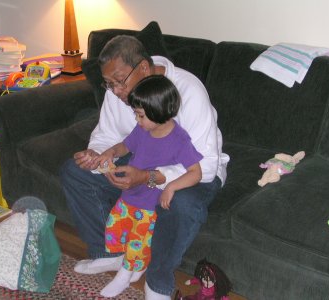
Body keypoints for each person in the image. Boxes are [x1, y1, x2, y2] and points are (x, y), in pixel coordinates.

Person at [60, 35, 229, 299]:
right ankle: (116, 254)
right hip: (140, 159)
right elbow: (108, 135)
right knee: (75, 172)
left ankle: (158, 281)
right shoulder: (117, 93)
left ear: (143, 68)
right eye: (109, 84)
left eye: (119, 81)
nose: (115, 91)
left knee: (182, 205)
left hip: (190, 173)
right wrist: (97, 156)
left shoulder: (187, 90)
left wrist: (148, 178)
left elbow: (206, 165)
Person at [97, 75, 203, 297]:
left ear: (158, 111)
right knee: (117, 229)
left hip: (147, 204)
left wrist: (172, 186)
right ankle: (134, 265)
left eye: (140, 115)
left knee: (138, 240)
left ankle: (126, 274)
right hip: (129, 196)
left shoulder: (179, 140)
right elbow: (126, 145)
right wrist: (111, 152)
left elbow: (196, 172)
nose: (137, 120)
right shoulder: (143, 129)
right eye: (136, 113)